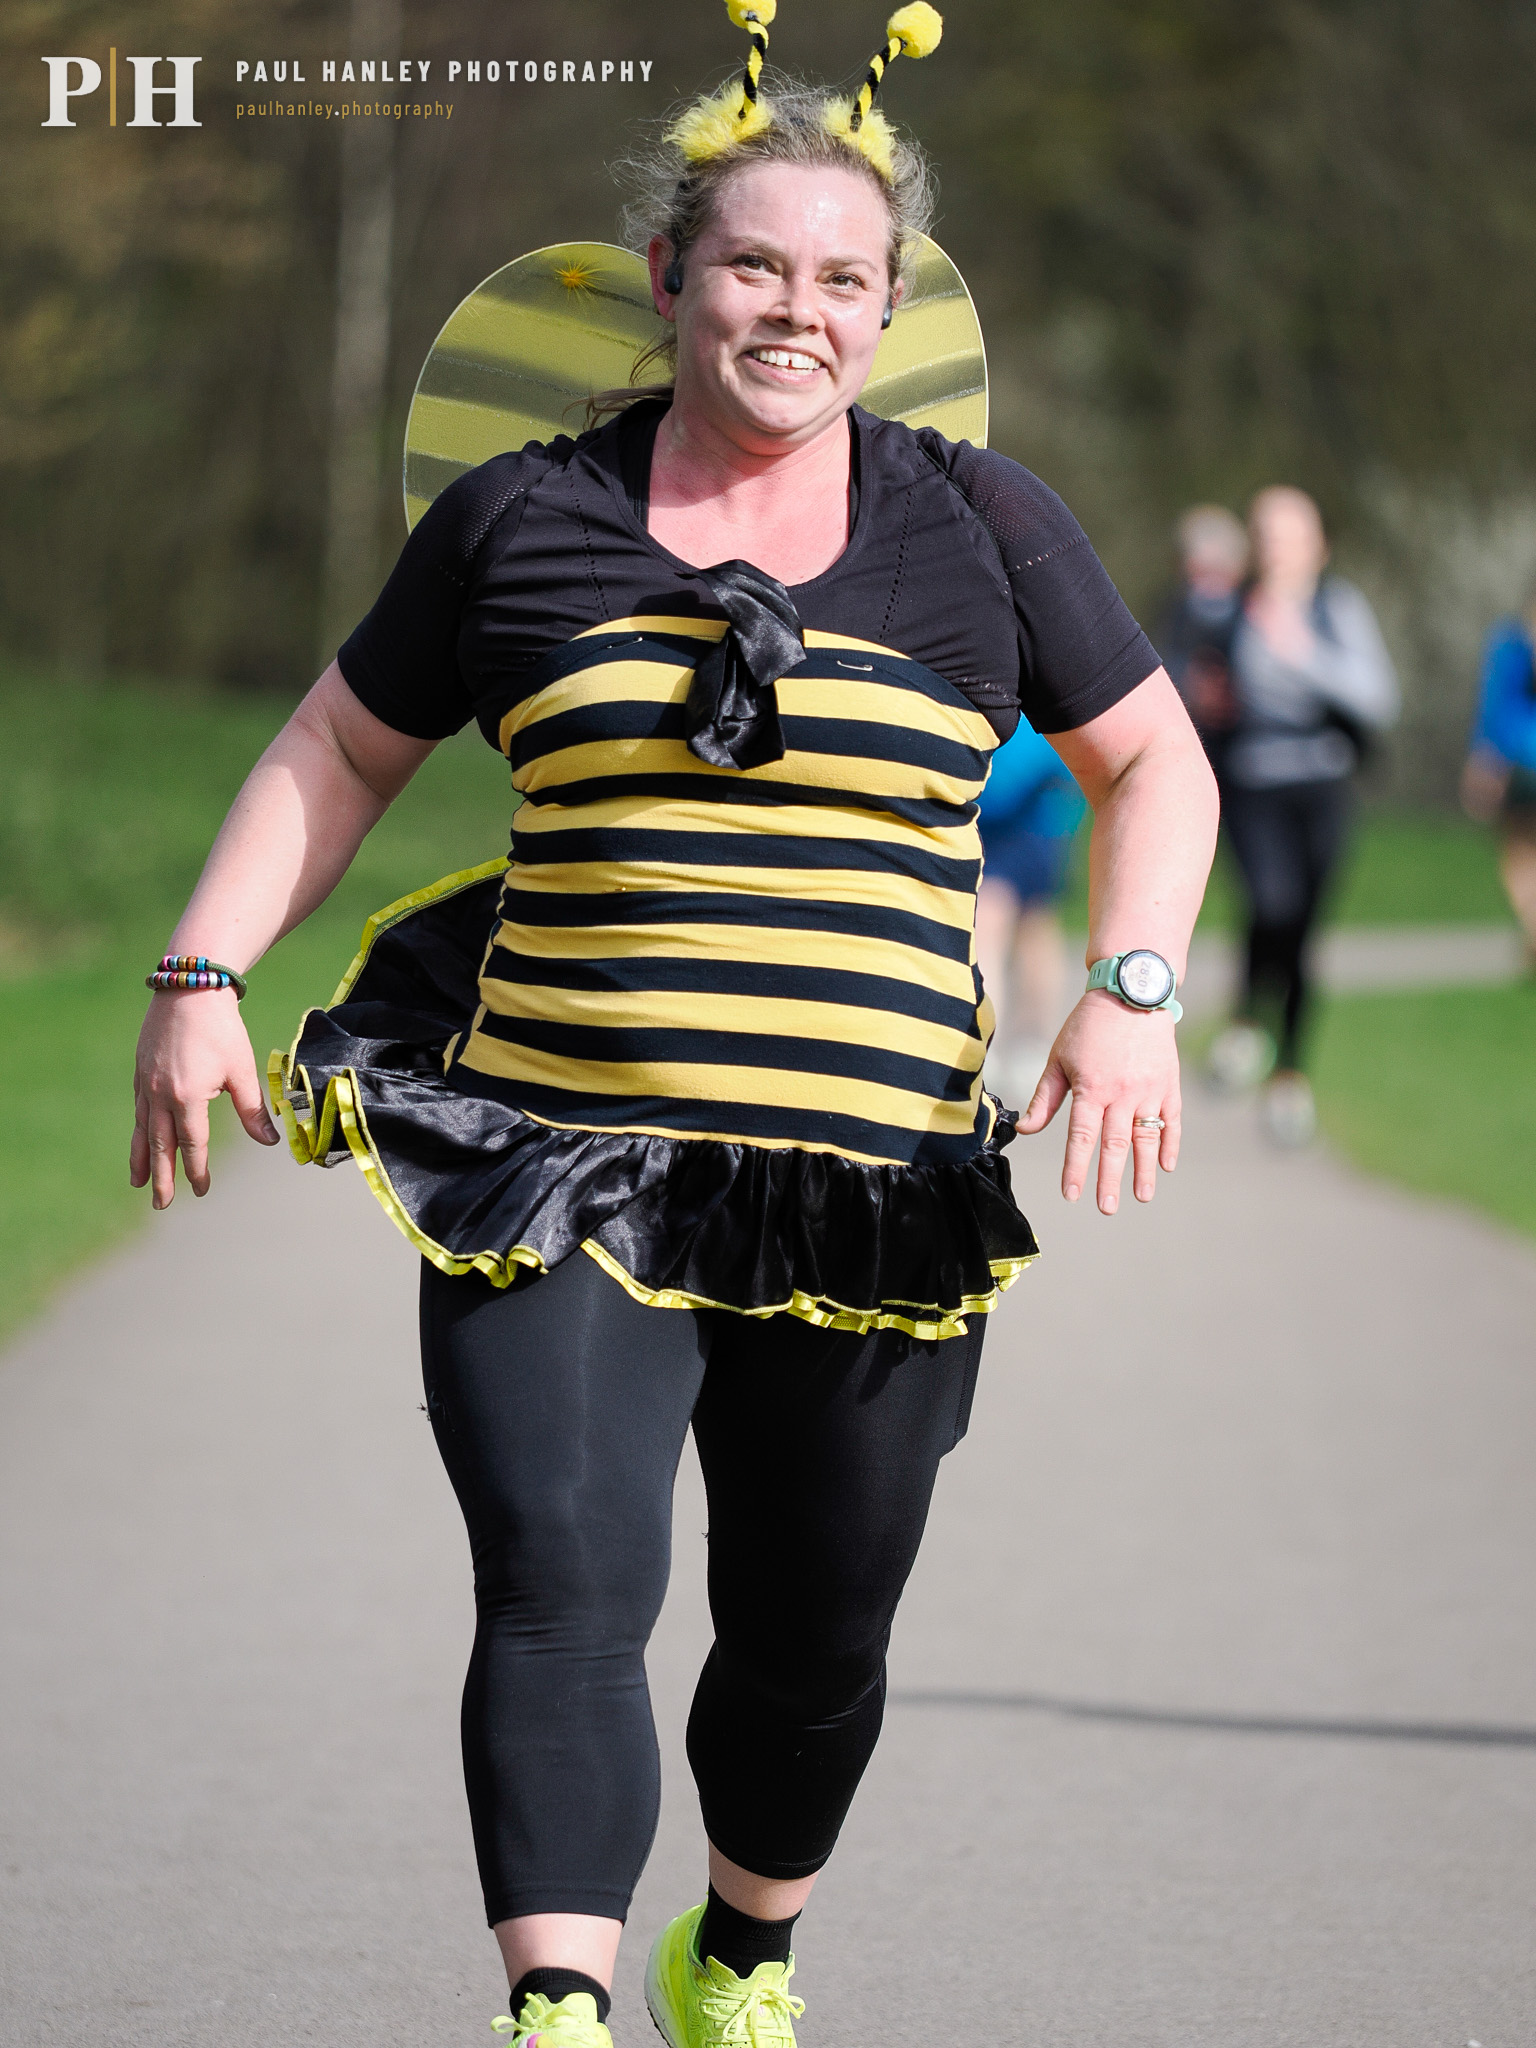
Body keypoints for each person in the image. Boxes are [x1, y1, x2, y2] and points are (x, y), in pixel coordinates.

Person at [129, 7, 1219, 2043]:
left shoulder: (984, 523)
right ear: (668, 281)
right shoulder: (521, 518)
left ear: (890, 310)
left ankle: (746, 1945)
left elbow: (1159, 763)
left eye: (840, 278)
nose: (793, 309)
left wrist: (1135, 991)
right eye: (752, 266)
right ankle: (555, 2006)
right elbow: (332, 752)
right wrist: (200, 974)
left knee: (816, 1629)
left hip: (874, 1187)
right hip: (561, 1161)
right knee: (563, 1581)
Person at [1207, 486, 1398, 1144]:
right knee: (1270, 904)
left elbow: (1377, 700)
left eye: (1293, 536)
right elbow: (1185, 687)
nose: (1279, 549)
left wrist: (1302, 655)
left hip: (1323, 788)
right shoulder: (1227, 611)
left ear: (1319, 546)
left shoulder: (1336, 610)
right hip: (1254, 785)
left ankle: (1290, 1074)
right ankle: (1244, 1022)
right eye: (1268, 535)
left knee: (1303, 931)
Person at [974, 717, 1087, 1099]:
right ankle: (1025, 1044)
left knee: (1010, 927)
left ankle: (1000, 1045)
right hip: (1005, 823)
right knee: (1031, 931)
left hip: (1026, 824)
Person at [1460, 582, 1536, 965]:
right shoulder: (1511, 646)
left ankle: (1532, 920)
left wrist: (1483, 760)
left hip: (1519, 758)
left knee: (1519, 851)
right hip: (1522, 759)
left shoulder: (1508, 643)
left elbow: (1491, 706)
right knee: (1519, 848)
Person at [1157, 503, 1250, 773]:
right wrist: (1189, 685)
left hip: (1246, 750)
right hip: (1190, 741)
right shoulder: (1172, 614)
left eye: (1217, 572)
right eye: (1200, 573)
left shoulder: (1253, 610)